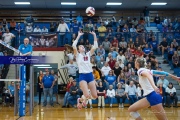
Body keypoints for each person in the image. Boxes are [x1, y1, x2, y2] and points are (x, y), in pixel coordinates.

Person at [72, 31, 98, 110]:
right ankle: (83, 99)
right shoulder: (77, 55)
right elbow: (73, 45)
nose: (82, 47)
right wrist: (78, 36)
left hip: (90, 75)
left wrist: (94, 35)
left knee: (95, 96)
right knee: (86, 95)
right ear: (79, 50)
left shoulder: (88, 54)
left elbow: (95, 46)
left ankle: (81, 100)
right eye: (80, 47)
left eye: (83, 46)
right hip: (83, 76)